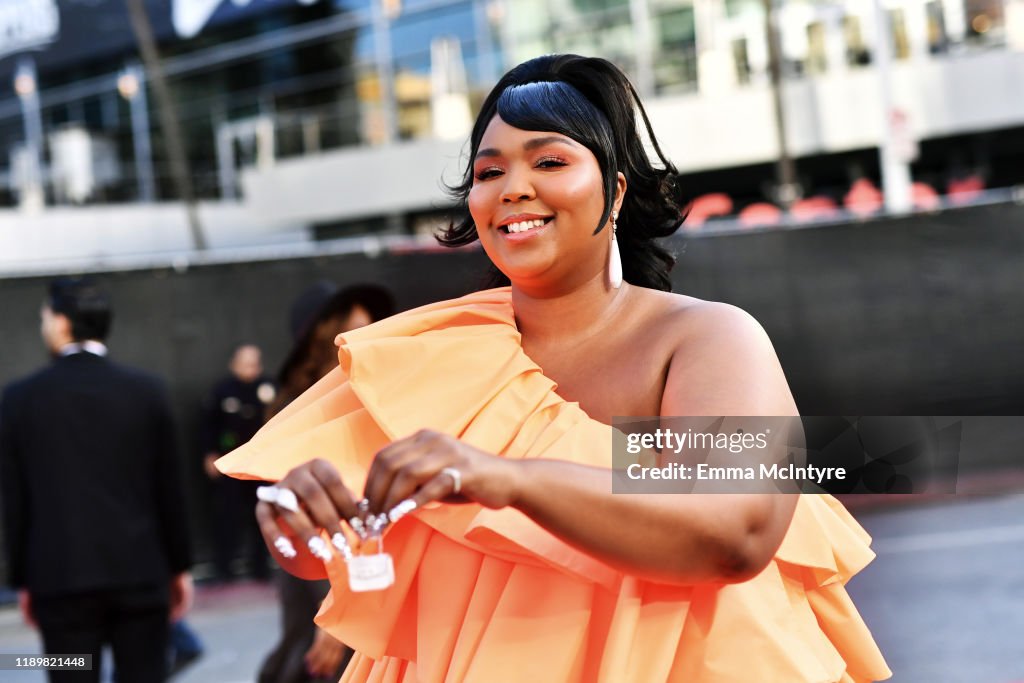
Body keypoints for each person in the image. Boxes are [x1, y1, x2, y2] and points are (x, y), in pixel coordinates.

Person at [218, 55, 891, 682]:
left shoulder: (705, 339)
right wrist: (303, 531)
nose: (514, 188)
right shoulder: (426, 354)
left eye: (549, 160)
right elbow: (352, 561)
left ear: (617, 189)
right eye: (488, 172)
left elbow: (734, 530)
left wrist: (507, 478)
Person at [0, 277, 193, 683]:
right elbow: (171, 492)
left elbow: (16, 501)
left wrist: (22, 578)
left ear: (61, 323)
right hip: (141, 575)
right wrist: (179, 567)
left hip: (59, 580)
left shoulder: (20, 400)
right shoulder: (148, 392)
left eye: (45, 317)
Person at [257, 282, 394, 683]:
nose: (362, 343)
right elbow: (303, 526)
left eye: (369, 331)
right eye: (349, 333)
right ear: (319, 342)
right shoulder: (291, 416)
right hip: (322, 582)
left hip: (377, 585)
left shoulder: (380, 401)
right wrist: (336, 616)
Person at [200, 344, 276, 582]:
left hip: (260, 465)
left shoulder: (269, 388)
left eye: (253, 363)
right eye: (244, 363)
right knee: (227, 517)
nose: (249, 369)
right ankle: (224, 568)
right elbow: (208, 426)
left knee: (262, 516)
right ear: (234, 364)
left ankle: (261, 568)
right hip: (230, 463)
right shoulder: (222, 391)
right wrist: (209, 454)